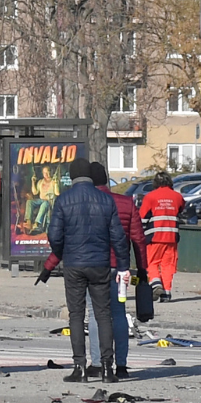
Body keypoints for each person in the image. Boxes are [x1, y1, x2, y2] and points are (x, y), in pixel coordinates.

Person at [47, 156, 129, 384]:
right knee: (103, 314)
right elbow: (118, 238)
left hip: (74, 264)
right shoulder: (105, 201)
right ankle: (106, 368)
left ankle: (79, 368)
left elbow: (54, 235)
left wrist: (64, 251)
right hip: (100, 263)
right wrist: (122, 265)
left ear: (72, 177)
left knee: (76, 315)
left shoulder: (63, 200)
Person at [82, 163, 149, 380]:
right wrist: (142, 268)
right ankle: (121, 364)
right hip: (119, 268)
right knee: (119, 313)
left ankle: (98, 362)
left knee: (95, 313)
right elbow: (138, 238)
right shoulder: (126, 203)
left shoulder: (86, 204)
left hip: (93, 265)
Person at [139, 172, 185, 301]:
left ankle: (156, 283)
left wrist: (140, 235)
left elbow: (142, 218)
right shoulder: (177, 197)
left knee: (151, 263)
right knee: (168, 265)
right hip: (171, 237)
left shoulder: (150, 197)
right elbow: (181, 210)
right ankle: (167, 292)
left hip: (154, 237)